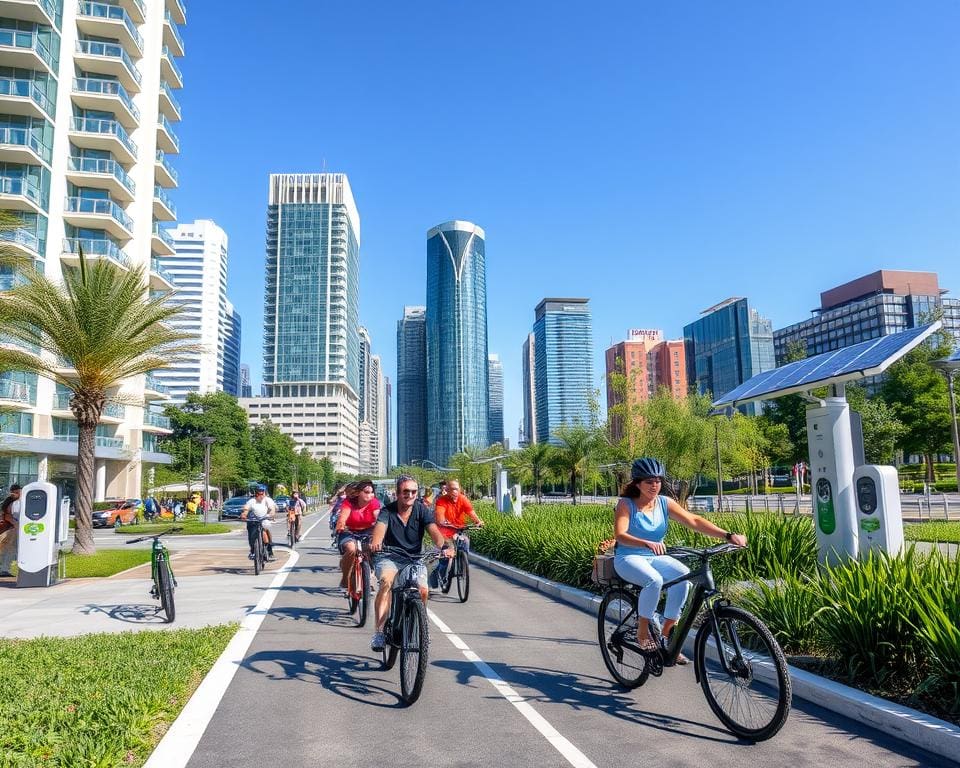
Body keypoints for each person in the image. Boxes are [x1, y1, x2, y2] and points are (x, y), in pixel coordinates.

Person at [614, 457, 746, 662]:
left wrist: (728, 536)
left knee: (684, 576)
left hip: (654, 557)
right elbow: (620, 535)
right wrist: (645, 543)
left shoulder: (665, 503)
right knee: (654, 581)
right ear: (638, 483)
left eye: (658, 480)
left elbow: (694, 520)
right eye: (649, 481)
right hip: (627, 557)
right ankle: (642, 633)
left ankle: (667, 637)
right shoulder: (626, 504)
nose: (654, 485)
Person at [369, 474, 452, 651]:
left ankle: (421, 628)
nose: (410, 495)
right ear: (398, 493)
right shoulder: (387, 511)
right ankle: (379, 631)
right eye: (406, 491)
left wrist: (444, 546)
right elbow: (380, 529)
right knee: (386, 583)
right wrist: (376, 542)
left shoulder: (422, 510)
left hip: (414, 558)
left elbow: (434, 532)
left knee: (422, 589)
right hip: (389, 556)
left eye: (414, 491)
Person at [432, 478, 484, 588]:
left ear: (460, 489)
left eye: (457, 489)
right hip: (445, 531)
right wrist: (442, 521)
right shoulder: (442, 500)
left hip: (459, 528)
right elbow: (440, 515)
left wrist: (478, 521)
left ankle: (462, 565)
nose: (455, 492)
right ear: (447, 490)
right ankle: (439, 575)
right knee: (447, 554)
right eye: (452, 489)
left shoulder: (463, 499)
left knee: (465, 541)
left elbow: (470, 511)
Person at [334, 479, 381, 593]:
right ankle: (345, 579)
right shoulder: (349, 502)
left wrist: (382, 527)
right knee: (351, 549)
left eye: (371, 492)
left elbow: (378, 517)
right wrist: (341, 525)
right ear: (358, 492)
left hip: (368, 531)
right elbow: (343, 516)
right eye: (366, 492)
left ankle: (369, 577)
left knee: (375, 548)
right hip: (349, 531)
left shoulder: (374, 502)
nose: (370, 495)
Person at [241, 484, 277, 562]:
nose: (261, 495)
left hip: (264, 519)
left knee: (265, 530)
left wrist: (271, 514)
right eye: (259, 493)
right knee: (251, 536)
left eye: (262, 492)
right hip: (253, 520)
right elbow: (246, 509)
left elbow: (272, 509)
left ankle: (269, 549)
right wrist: (244, 514)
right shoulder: (252, 501)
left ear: (265, 492)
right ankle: (253, 551)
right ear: (256, 493)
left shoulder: (268, 500)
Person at [0, 484, 22, 577]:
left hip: (10, 529)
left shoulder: (10, 501)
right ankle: (4, 569)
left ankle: (5, 569)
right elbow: (8, 517)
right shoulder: (13, 503)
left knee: (8, 550)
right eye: (16, 492)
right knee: (8, 549)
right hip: (11, 530)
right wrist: (16, 525)